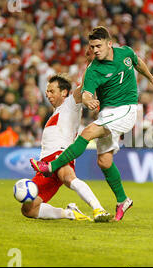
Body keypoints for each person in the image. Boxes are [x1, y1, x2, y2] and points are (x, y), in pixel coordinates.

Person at [30, 26, 153, 221]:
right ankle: (122, 200)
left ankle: (51, 167)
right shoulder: (93, 69)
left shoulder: (125, 53)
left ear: (110, 43)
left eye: (98, 46)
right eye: (92, 47)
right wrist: (88, 101)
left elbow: (137, 62)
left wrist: (151, 78)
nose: (95, 50)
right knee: (104, 161)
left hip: (125, 108)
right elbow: (85, 93)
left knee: (87, 132)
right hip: (107, 114)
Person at [23, 73, 112, 222]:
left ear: (64, 92)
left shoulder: (71, 103)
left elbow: (84, 84)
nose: (47, 94)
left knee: (68, 178)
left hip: (60, 154)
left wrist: (91, 61)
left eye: (52, 91)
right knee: (28, 209)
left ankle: (98, 209)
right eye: (47, 91)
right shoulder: (54, 114)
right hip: (45, 165)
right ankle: (70, 213)